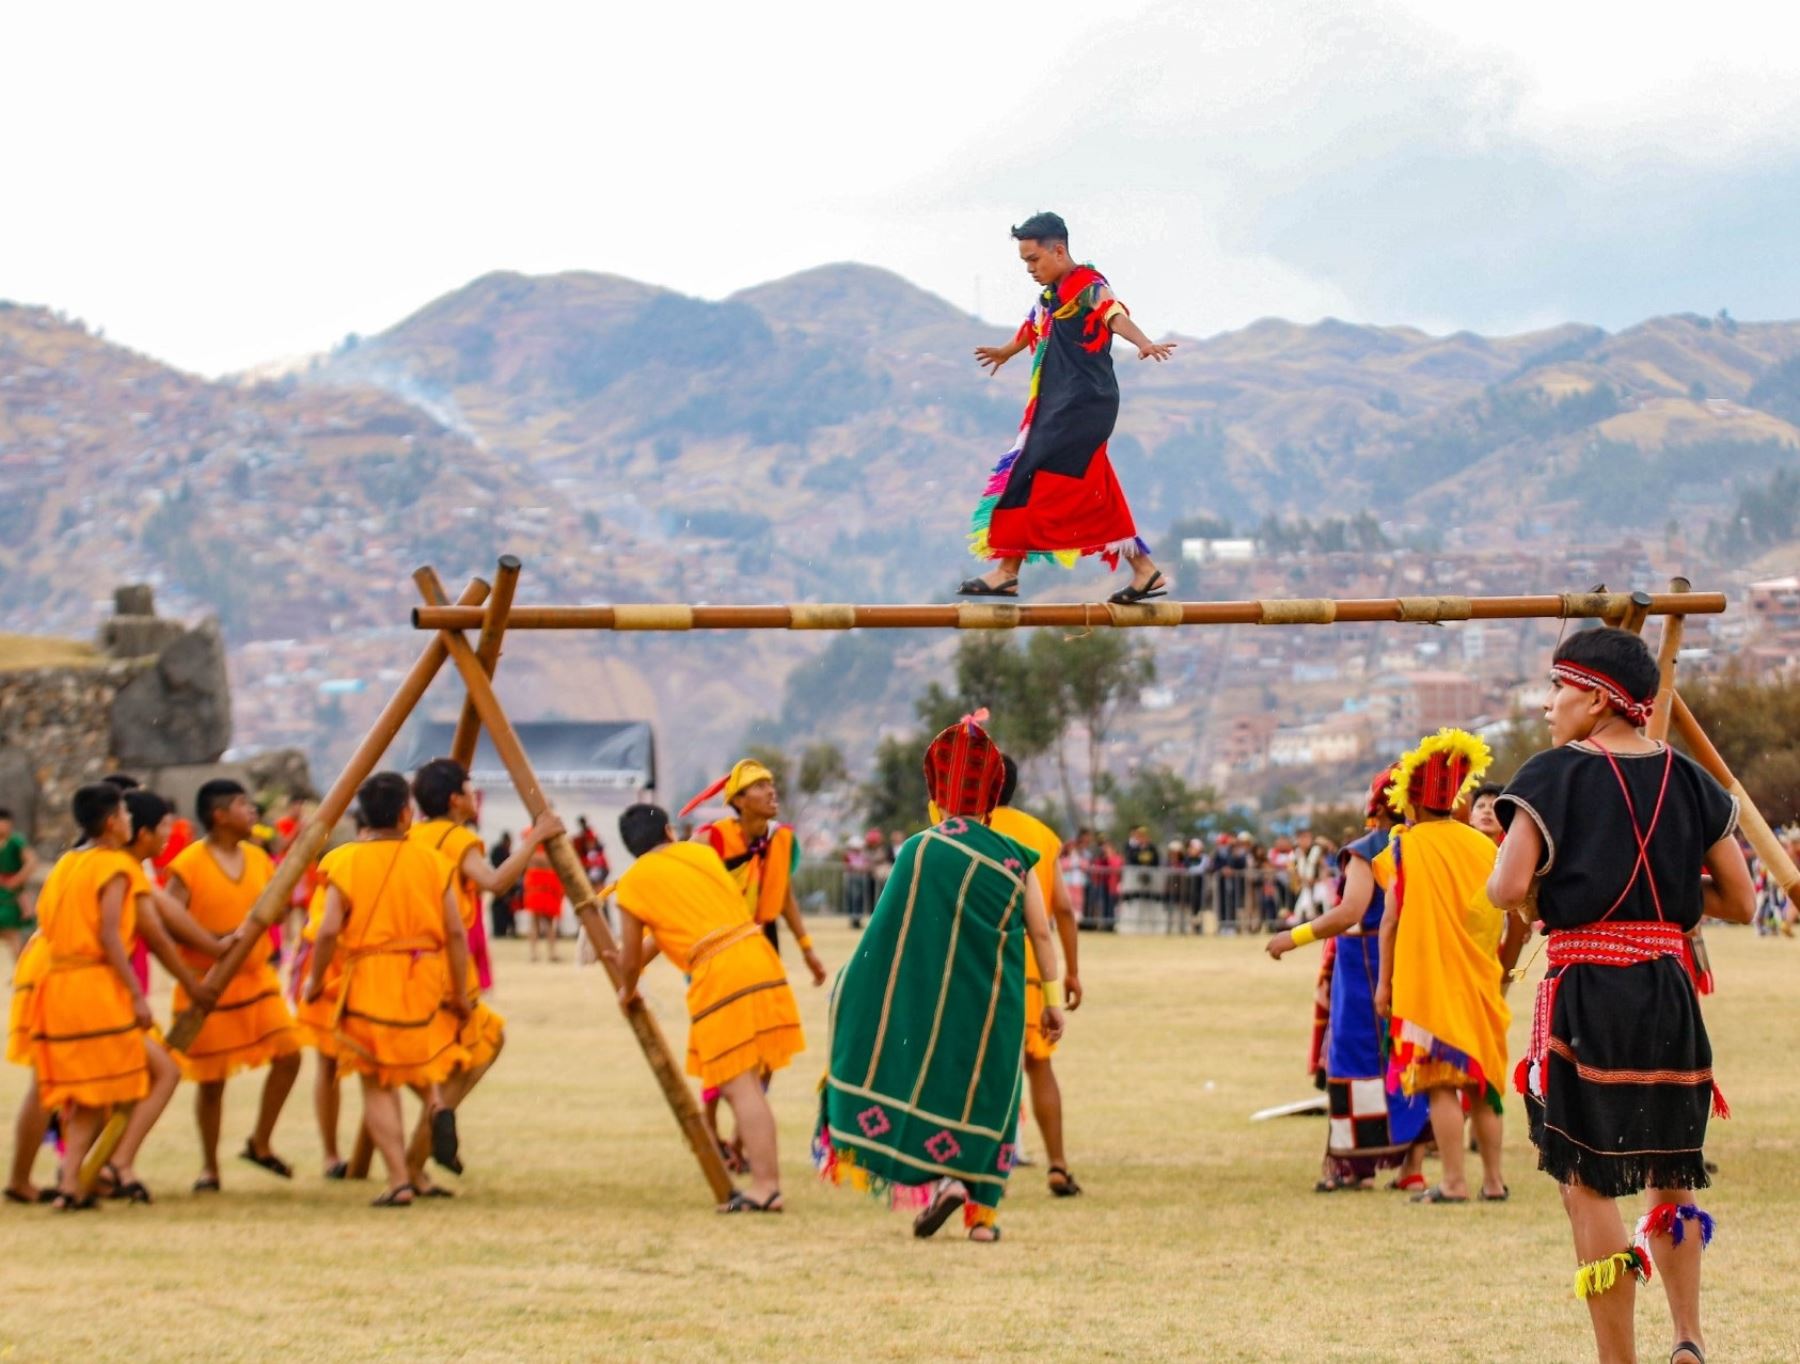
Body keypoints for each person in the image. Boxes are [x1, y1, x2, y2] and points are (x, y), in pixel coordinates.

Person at [1488, 627, 1753, 1364]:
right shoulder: (1693, 781)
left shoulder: (1550, 777)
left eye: (1558, 687)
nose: (1548, 705)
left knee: (1590, 1179)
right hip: (1669, 988)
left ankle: (1619, 1361)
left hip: (1588, 990)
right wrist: (1657, 894)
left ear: (1600, 697)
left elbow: (1505, 889)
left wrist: (1569, 886)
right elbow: (1740, 899)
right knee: (1670, 1170)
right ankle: (1689, 1340)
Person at [817, 714, 1065, 1243]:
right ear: (994, 796)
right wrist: (1050, 998)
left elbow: (889, 932)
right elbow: (1041, 935)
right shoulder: (1017, 860)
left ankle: (941, 1182)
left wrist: (854, 984)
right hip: (995, 1002)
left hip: (933, 1001)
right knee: (990, 1093)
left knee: (936, 1082)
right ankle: (981, 1214)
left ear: (938, 794)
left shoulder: (920, 848)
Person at [960, 211, 1176, 604]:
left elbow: (1113, 314)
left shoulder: (1088, 286)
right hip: (1066, 403)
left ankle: (1007, 571)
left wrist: (1143, 342)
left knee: (1026, 472)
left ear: (1058, 250)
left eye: (1033, 259)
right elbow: (1036, 326)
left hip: (1082, 403)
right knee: (1095, 485)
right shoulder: (1051, 295)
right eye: (1025, 261)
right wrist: (1006, 352)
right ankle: (1145, 571)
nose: (1029, 269)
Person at [608, 802, 805, 1212]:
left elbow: (629, 959)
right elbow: (665, 936)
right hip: (757, 953)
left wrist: (627, 992)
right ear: (668, 832)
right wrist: (630, 978)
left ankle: (766, 1186)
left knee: (738, 1086)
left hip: (719, 972)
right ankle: (767, 1182)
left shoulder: (633, 882)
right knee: (746, 1084)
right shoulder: (701, 854)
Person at [302, 772, 471, 1207]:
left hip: (370, 976)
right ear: (405, 813)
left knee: (378, 1083)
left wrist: (315, 980)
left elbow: (326, 933)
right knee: (414, 1064)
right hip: (424, 978)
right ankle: (436, 1108)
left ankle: (398, 1180)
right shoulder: (433, 862)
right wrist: (458, 991)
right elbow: (455, 932)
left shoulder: (342, 861)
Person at [16, 785, 180, 1210]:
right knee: (157, 1070)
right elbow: (111, 935)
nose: (129, 821)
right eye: (125, 813)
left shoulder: (68, 863)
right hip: (92, 989)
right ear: (112, 823)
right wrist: (136, 996)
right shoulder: (114, 866)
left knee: (89, 1093)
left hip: (57, 986)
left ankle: (72, 1184)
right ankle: (114, 1165)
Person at [1372, 730, 1517, 1205]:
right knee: (1483, 1087)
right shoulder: (1485, 846)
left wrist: (1384, 983)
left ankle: (1453, 1182)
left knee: (1442, 1087)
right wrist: (1502, 966)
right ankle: (1493, 1181)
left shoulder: (1403, 848)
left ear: (1411, 802)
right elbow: (1512, 913)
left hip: (1430, 984)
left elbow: (1391, 920)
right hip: (1479, 978)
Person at [1268, 767, 1429, 1192]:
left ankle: (1352, 1168)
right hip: (1416, 963)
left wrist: (1295, 935)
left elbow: (1350, 911)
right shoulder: (1427, 844)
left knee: (1357, 1060)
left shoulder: (1366, 849)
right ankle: (1411, 1168)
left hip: (1366, 969)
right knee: (1408, 1057)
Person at [408, 757, 564, 1177]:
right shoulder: (457, 840)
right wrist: (536, 841)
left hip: (413, 964)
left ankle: (429, 1134)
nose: (475, 797)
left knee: (473, 1044)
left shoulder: (412, 835)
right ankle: (429, 1135)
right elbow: (494, 882)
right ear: (455, 799)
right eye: (469, 789)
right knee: (480, 1043)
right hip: (446, 967)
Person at [161, 778, 304, 1191]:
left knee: (290, 1053)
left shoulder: (259, 859)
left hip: (256, 978)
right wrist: (214, 940)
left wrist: (266, 921)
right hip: (208, 983)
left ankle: (260, 1142)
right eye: (243, 805)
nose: (252, 811)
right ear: (219, 815)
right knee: (211, 1082)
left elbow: (271, 913)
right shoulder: (188, 864)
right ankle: (209, 1168)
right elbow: (168, 922)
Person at [989, 756, 1085, 1197]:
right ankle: (1059, 1166)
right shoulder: (1040, 835)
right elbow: (1062, 908)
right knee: (1039, 1065)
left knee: (987, 1069)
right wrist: (1072, 972)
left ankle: (986, 1167)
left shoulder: (964, 826)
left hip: (985, 962)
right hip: (1032, 966)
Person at [682, 759, 827, 988]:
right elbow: (676, 876)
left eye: (770, 784)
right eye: (760, 786)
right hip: (719, 947)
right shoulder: (712, 839)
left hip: (764, 943)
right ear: (739, 800)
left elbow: (785, 898)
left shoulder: (781, 840)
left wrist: (807, 949)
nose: (771, 791)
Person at [0, 807, 37, 963]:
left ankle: (19, 971)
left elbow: (31, 862)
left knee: (12, 935)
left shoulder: (16, 841)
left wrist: (17, 880)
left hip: (10, 892)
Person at [487, 832, 519, 939]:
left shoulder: (501, 851)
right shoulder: (502, 852)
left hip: (502, 884)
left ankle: (502, 931)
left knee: (505, 909)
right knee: (503, 908)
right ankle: (501, 931)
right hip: (503, 883)